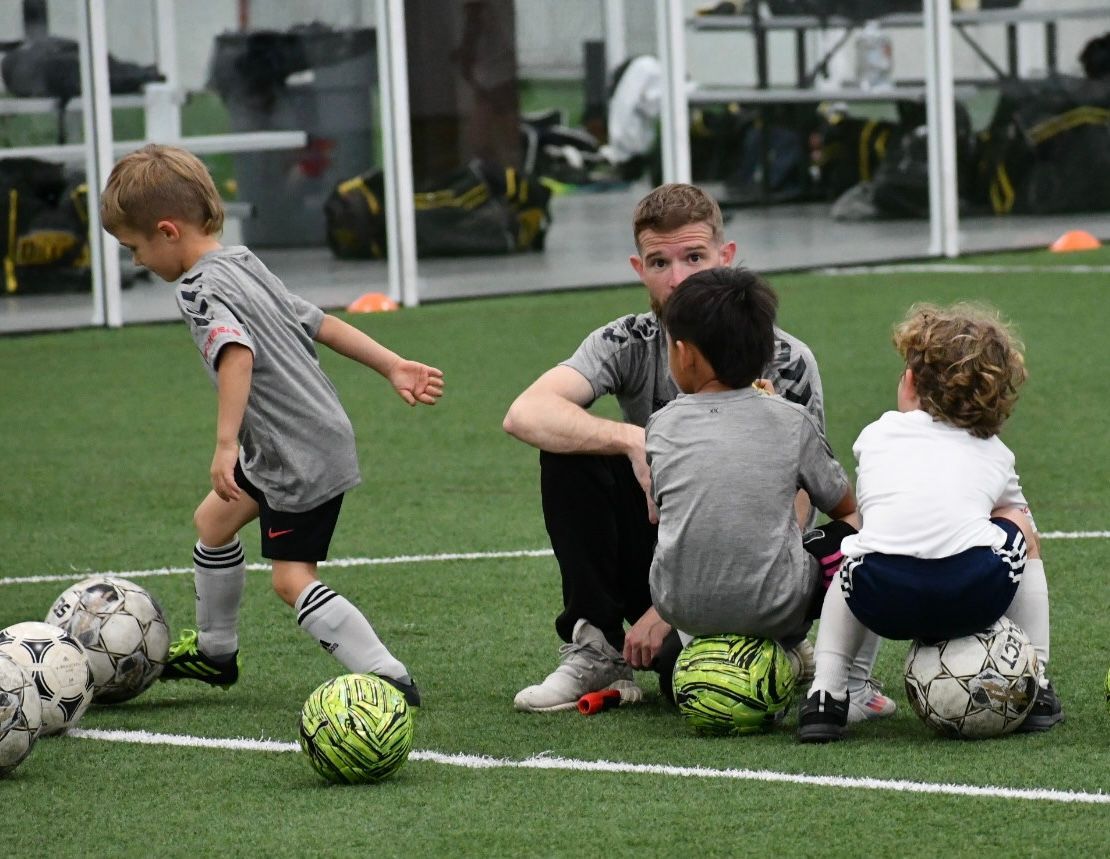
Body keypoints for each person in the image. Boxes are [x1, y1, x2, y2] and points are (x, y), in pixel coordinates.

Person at [503, 182, 891, 717]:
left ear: (726, 258)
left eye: (694, 257)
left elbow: (802, 495)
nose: (678, 277)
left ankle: (793, 651)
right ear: (639, 268)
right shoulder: (627, 341)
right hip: (664, 546)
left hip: (750, 552)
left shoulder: (783, 357)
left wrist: (672, 610)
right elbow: (525, 412)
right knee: (572, 449)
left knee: (674, 668)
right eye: (660, 261)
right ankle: (596, 651)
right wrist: (633, 440)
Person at [99, 144, 443, 706]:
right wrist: (391, 364)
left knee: (290, 579)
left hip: (293, 451)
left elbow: (236, 354)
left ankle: (387, 676)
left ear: (166, 231)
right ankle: (215, 652)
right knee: (213, 522)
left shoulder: (198, 288)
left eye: (134, 248)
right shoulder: (243, 261)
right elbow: (320, 321)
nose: (137, 261)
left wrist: (224, 444)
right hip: (302, 437)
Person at [798, 302, 1062, 742]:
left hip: (883, 599)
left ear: (912, 382)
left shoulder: (875, 436)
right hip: (971, 593)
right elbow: (1014, 514)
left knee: (859, 552)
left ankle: (826, 694)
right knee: (1019, 521)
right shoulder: (994, 451)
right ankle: (1037, 683)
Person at [648, 267, 857, 653]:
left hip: (677, 605)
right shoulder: (790, 419)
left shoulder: (660, 425)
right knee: (859, 534)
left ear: (684, 354)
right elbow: (844, 507)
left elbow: (663, 507)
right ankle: (848, 681)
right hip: (776, 606)